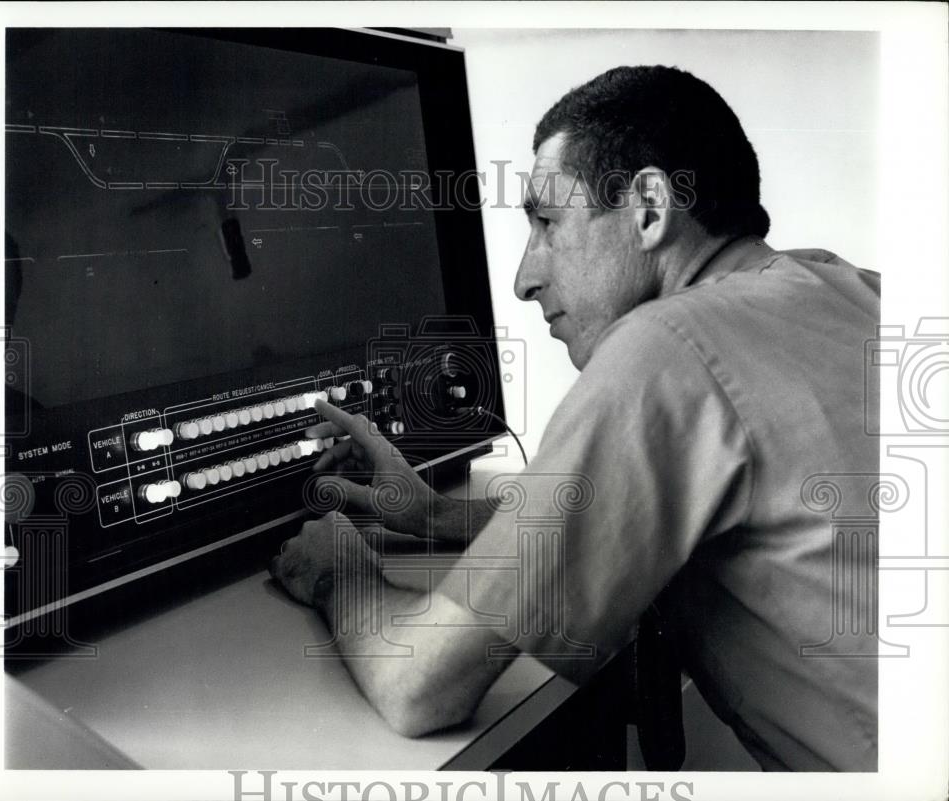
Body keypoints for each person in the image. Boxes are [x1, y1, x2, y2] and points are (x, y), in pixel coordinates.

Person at [269, 65, 880, 771]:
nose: (526, 278)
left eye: (548, 223)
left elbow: (418, 685)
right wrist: (437, 517)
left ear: (650, 208)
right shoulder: (848, 287)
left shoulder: (666, 349)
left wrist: (339, 567)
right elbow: (676, 511)